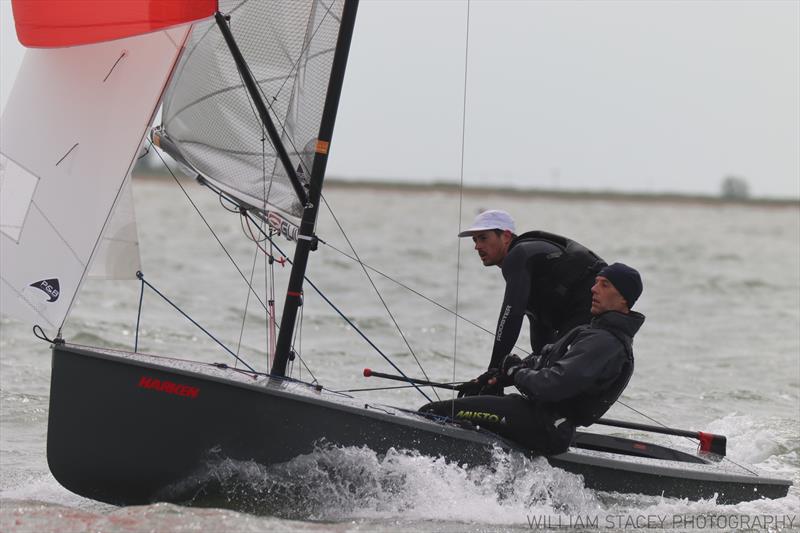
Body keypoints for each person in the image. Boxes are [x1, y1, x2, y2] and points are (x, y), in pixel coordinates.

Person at [419, 262, 644, 455]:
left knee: (435, 413)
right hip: (539, 418)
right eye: (596, 282)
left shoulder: (606, 343)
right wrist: (500, 375)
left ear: (624, 299)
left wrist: (517, 373)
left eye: (605, 285)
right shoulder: (595, 333)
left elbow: (551, 385)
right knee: (449, 413)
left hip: (546, 426)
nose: (594, 289)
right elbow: (544, 362)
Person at [457, 210, 606, 396]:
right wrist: (496, 377)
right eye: (475, 240)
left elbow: (512, 315)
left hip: (597, 310)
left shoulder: (518, 255)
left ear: (505, 236)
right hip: (585, 316)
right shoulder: (530, 266)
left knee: (543, 368)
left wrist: (492, 370)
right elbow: (541, 335)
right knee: (541, 366)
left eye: (483, 238)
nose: (477, 246)